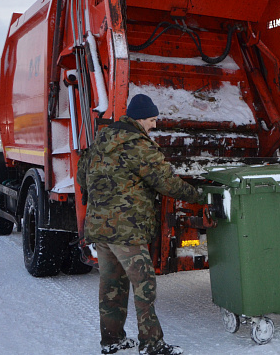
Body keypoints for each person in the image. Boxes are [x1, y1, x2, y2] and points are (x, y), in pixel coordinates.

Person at [77, 94, 205, 355]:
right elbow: (166, 183)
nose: (154, 125)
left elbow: (81, 176)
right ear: (138, 119)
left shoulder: (101, 141)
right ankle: (152, 344)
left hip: (101, 229)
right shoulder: (138, 145)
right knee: (144, 285)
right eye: (152, 120)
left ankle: (112, 340)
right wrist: (199, 196)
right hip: (126, 231)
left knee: (112, 286)